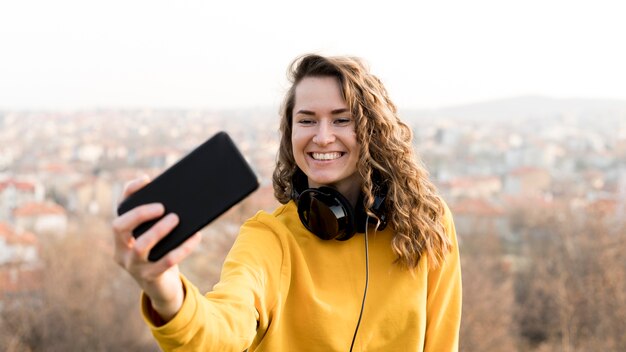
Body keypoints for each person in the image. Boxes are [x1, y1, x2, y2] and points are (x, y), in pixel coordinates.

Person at [112, 54, 462, 351]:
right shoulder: (269, 238)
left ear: (373, 131)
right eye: (307, 120)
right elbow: (223, 330)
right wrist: (167, 293)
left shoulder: (426, 221)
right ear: (290, 133)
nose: (322, 137)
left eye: (342, 119)